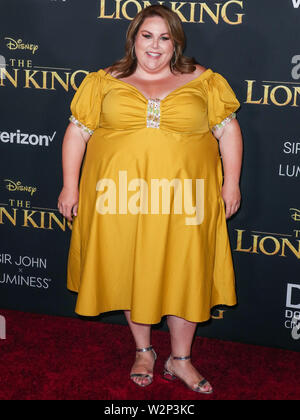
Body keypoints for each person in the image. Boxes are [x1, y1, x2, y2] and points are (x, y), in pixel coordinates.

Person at [58, 5, 243, 394]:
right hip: (119, 198)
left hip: (186, 199)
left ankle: (181, 358)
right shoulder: (103, 81)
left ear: (176, 43)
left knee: (184, 273)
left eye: (164, 37)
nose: (155, 46)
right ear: (134, 38)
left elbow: (228, 132)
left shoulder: (204, 81)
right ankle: (144, 350)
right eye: (147, 36)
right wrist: (70, 186)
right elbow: (77, 134)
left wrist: (231, 184)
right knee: (131, 269)